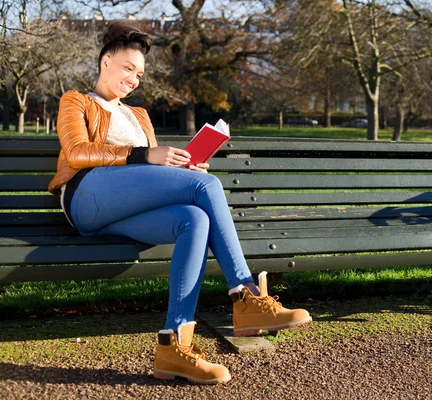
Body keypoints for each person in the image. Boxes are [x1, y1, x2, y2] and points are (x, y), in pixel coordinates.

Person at [48, 21, 311, 385]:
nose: (133, 79)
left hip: (122, 212)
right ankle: (245, 296)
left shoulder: (138, 114)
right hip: (87, 197)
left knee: (193, 219)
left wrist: (185, 166)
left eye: (139, 74)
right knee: (207, 186)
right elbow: (77, 152)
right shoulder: (76, 100)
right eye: (127, 68)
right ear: (105, 61)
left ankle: (174, 345)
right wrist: (146, 155)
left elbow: (153, 169)